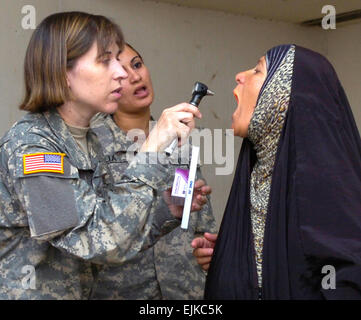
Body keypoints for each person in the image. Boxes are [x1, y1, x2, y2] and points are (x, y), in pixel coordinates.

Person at [0, 11, 206, 299]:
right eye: (105, 60)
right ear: (62, 72)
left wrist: (164, 211)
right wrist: (151, 148)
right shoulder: (33, 147)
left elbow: (118, 238)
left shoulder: (93, 142)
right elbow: (96, 241)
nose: (122, 73)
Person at [192, 44, 361, 299]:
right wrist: (237, 262)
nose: (240, 75)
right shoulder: (259, 177)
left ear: (283, 98)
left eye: (258, 70)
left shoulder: (326, 192)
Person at [89, 43, 218, 299]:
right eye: (121, 73)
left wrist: (209, 250)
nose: (135, 76)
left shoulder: (179, 140)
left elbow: (200, 225)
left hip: (185, 291)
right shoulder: (90, 146)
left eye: (137, 64)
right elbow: (91, 235)